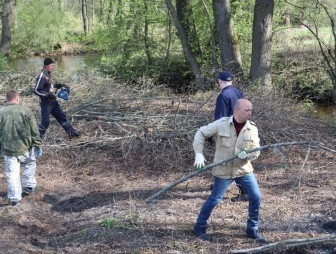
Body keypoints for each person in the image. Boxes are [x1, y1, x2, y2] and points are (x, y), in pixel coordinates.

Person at [193, 99, 267, 243]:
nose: (250, 113)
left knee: (256, 196)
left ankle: (252, 229)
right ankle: (199, 227)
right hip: (223, 170)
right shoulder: (222, 124)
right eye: (247, 110)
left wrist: (249, 155)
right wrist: (198, 153)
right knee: (215, 199)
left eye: (251, 110)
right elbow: (201, 133)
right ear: (237, 111)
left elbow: (256, 150)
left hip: (243, 169)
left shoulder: (252, 128)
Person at [0, 90, 43, 206]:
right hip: (25, 147)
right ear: (17, 98)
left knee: (12, 173)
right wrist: (37, 144)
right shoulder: (25, 111)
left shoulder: (1, 112)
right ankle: (29, 186)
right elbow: (34, 130)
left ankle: (14, 198)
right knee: (29, 164)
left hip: (8, 149)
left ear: (6, 99)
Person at [214, 70, 248, 202]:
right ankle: (220, 186)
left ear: (219, 81)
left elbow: (220, 118)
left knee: (232, 161)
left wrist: (214, 134)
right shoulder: (238, 93)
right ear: (231, 81)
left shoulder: (223, 95)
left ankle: (246, 192)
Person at [34, 57, 80, 139]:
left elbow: (48, 86)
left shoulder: (48, 74)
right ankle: (36, 138)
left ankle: (72, 133)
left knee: (62, 116)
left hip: (53, 101)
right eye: (51, 65)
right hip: (46, 103)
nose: (53, 67)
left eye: (53, 65)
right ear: (45, 66)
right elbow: (37, 90)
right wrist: (47, 95)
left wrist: (57, 85)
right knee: (46, 121)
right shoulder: (42, 75)